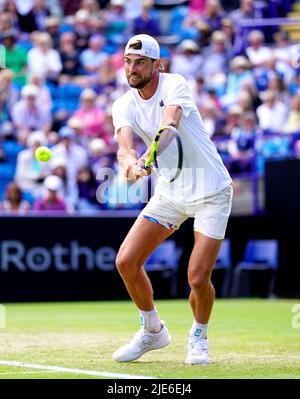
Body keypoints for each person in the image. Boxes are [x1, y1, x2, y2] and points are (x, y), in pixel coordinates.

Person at [111, 34, 232, 364]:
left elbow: (170, 126)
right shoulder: (122, 104)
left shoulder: (174, 84)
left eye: (140, 62)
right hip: (171, 192)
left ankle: (199, 336)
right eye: (128, 62)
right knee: (126, 261)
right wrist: (128, 164)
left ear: (156, 64)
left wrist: (146, 160)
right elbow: (124, 147)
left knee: (196, 277)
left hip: (212, 191)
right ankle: (153, 330)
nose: (132, 69)